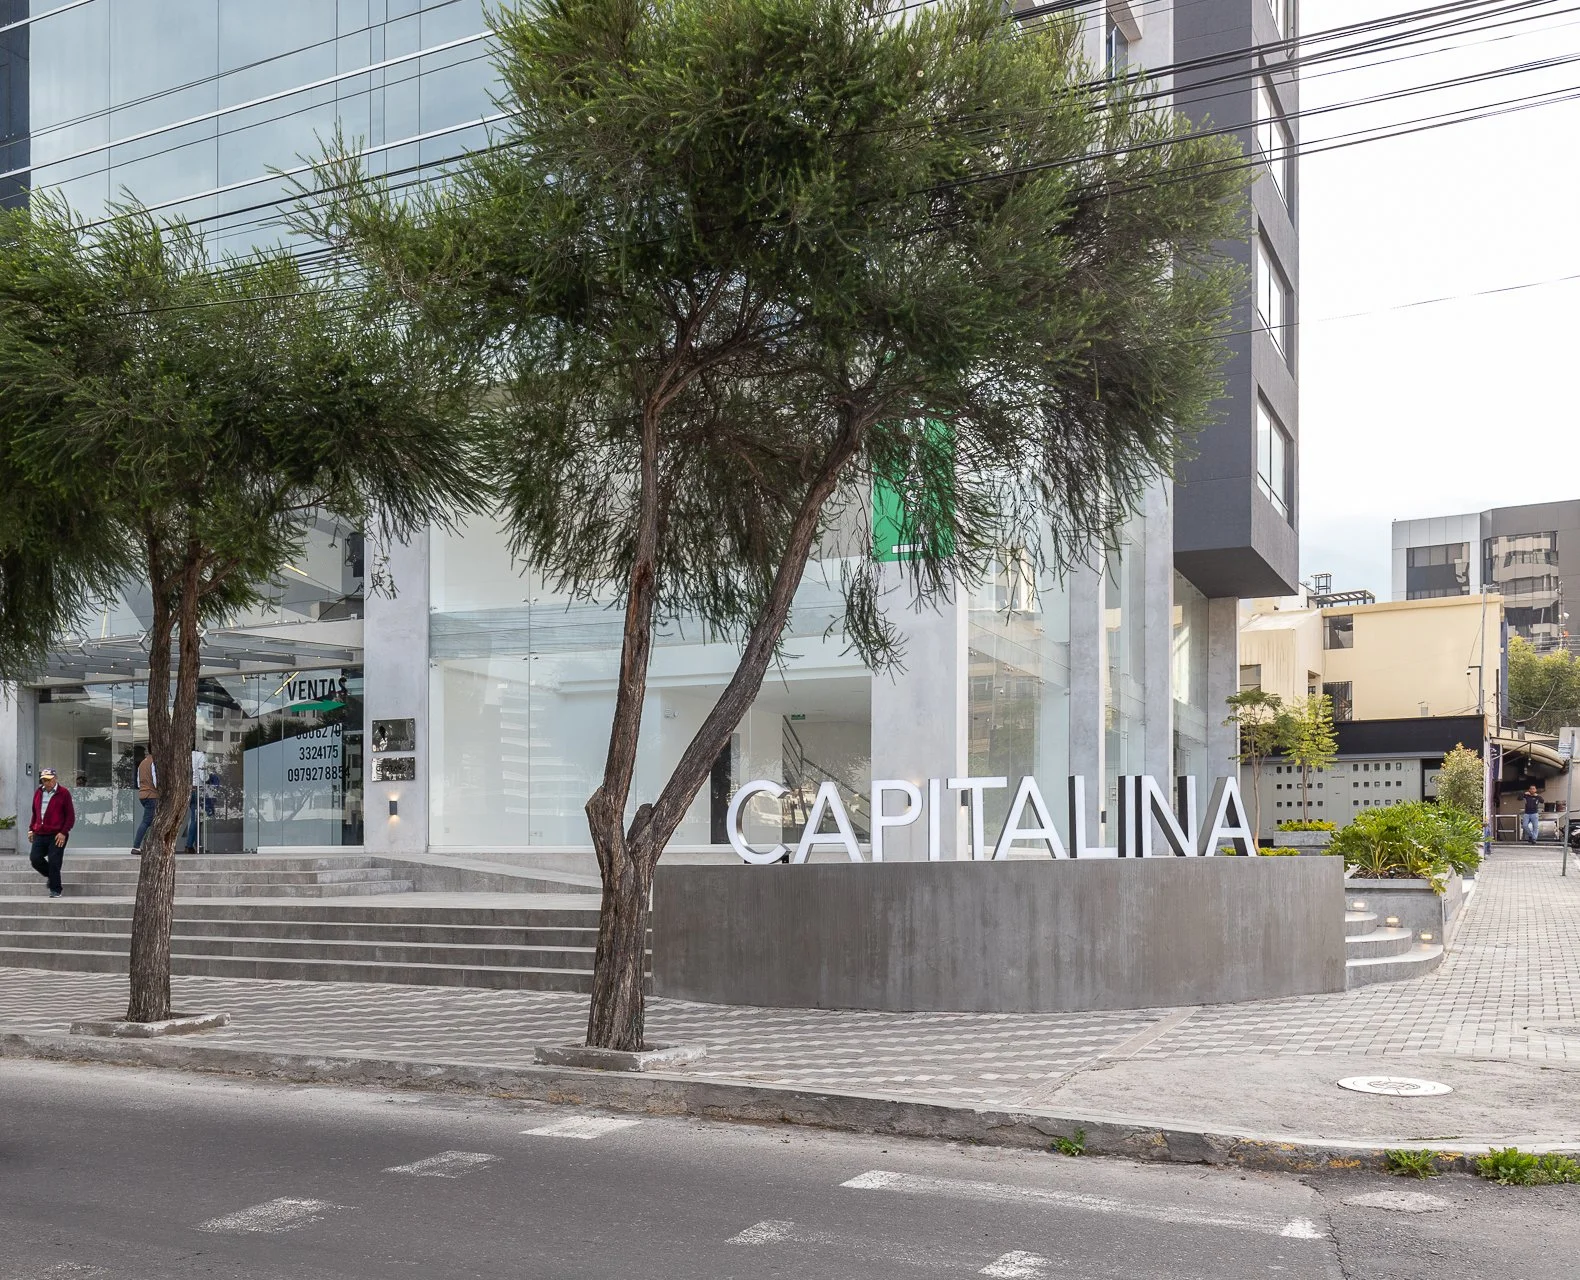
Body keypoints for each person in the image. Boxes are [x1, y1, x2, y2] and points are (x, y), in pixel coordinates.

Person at [27, 767, 75, 898]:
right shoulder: (38, 792)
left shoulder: (63, 793)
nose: (46, 783)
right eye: (43, 780)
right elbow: (35, 813)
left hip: (57, 834)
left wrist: (63, 832)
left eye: (48, 780)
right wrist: (31, 828)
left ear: (55, 779)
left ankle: (56, 889)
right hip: (40, 833)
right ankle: (53, 877)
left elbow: (70, 816)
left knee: (54, 861)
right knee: (35, 859)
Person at [132, 751, 158, 854]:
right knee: (147, 821)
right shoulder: (154, 762)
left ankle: (149, 845)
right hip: (152, 795)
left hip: (143, 795)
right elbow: (156, 782)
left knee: (151, 822)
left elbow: (138, 783)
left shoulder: (142, 763)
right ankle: (136, 846)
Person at [184, 746, 206, 854]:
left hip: (185, 790)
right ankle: (189, 845)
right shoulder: (200, 755)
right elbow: (203, 776)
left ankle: (196, 844)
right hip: (196, 789)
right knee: (195, 819)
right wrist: (208, 777)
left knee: (194, 818)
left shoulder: (183, 756)